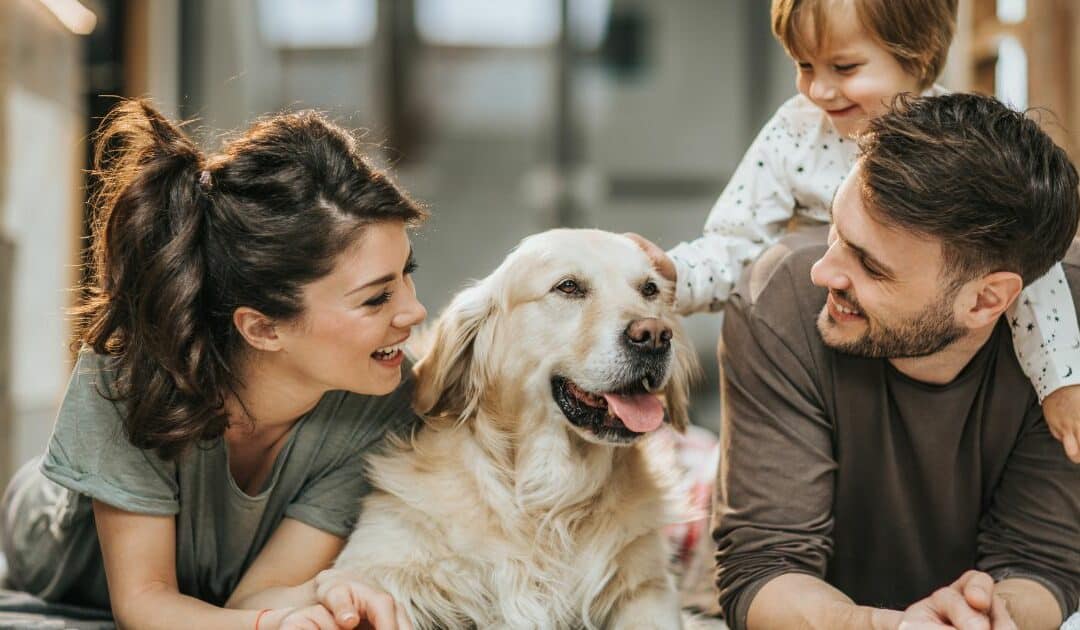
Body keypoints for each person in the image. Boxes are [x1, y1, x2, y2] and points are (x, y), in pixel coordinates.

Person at [0, 100, 427, 629]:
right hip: (52, 542)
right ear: (263, 327)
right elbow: (144, 601)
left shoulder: (385, 401)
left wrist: (311, 600)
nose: (414, 310)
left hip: (211, 579)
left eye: (407, 273)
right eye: (375, 298)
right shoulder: (127, 375)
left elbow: (254, 599)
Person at [629, 0, 1080, 461]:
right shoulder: (795, 131)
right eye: (804, 65)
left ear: (918, 54)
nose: (819, 90)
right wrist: (675, 273)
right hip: (826, 362)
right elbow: (735, 241)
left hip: (930, 369)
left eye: (844, 67)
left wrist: (1061, 381)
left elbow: (1029, 271)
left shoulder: (957, 148)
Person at [713, 92, 1080, 630]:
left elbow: (1045, 563)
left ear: (986, 300)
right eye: (837, 232)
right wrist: (884, 626)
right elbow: (763, 564)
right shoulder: (779, 300)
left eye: (869, 265)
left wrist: (986, 616)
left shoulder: (1069, 349)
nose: (824, 272)